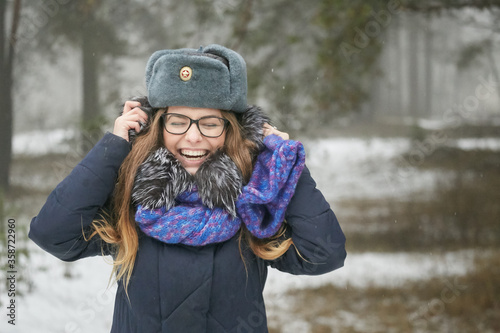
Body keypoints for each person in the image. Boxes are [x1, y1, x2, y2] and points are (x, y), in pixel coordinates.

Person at [29, 44, 346, 333]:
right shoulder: (131, 200)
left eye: (209, 123)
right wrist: (114, 147)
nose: (193, 137)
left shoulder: (255, 201)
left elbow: (324, 254)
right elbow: (53, 234)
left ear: (230, 130)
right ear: (158, 127)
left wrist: (285, 162)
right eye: (178, 121)